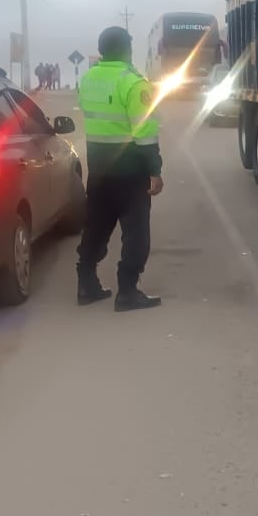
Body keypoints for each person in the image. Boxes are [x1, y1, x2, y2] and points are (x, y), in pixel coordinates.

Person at [75, 26, 164, 312]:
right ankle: (127, 292)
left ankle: (86, 284)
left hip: (99, 170)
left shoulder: (88, 79)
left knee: (96, 227)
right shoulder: (134, 83)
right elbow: (145, 133)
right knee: (136, 233)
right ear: (126, 48)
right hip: (130, 171)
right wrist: (155, 170)